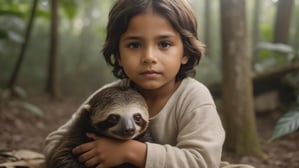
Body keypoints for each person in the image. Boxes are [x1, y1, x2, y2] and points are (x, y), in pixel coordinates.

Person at [44, 0, 226, 167]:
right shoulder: (107, 95)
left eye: (164, 44)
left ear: (185, 53)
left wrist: (131, 151)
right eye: (134, 45)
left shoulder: (194, 98)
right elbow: (54, 142)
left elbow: (204, 162)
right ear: (119, 55)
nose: (149, 57)